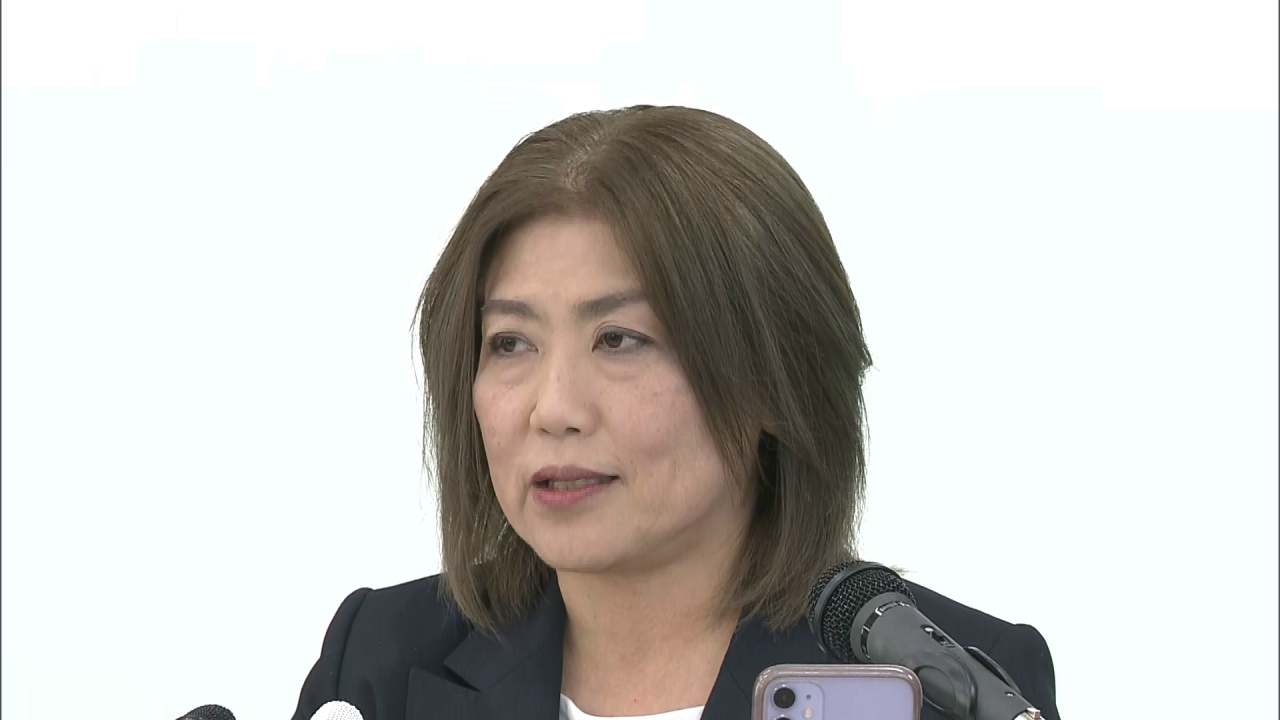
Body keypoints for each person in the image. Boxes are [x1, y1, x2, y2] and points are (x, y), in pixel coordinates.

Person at [290, 105, 1059, 720]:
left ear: (773, 379)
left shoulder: (948, 685)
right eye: (511, 343)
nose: (553, 409)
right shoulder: (383, 659)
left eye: (618, 339)